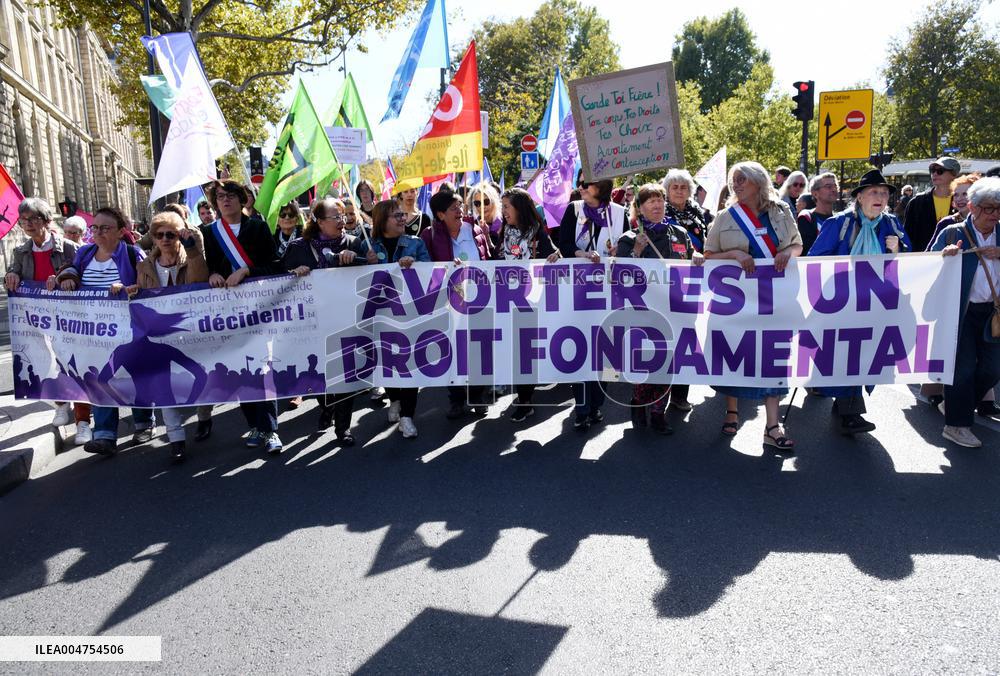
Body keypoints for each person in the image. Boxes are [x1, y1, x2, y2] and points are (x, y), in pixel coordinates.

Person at [704, 161, 803, 451]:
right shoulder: (725, 216)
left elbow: (797, 245)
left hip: (774, 298)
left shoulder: (781, 211)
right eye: (733, 180)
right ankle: (732, 411)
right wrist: (733, 253)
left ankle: (772, 426)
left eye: (742, 180)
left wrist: (786, 252)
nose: (736, 185)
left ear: (758, 182)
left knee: (774, 356)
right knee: (736, 353)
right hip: (736, 301)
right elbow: (708, 254)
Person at [807, 169, 912, 435]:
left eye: (885, 193)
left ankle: (845, 402)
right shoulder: (838, 224)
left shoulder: (892, 225)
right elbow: (815, 260)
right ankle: (850, 412)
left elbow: (913, 261)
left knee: (868, 354)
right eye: (874, 192)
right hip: (843, 303)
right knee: (846, 353)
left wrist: (898, 249)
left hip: (877, 303)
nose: (881, 197)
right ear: (860, 197)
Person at [55, 207, 149, 456]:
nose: (97, 233)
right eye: (95, 228)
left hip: (127, 329)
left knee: (130, 377)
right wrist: (67, 278)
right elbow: (72, 269)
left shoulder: (132, 253)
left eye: (105, 228)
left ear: (120, 232)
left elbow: (148, 284)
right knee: (100, 377)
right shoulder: (85, 253)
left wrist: (129, 287)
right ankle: (105, 435)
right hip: (94, 332)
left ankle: (143, 422)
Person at [200, 180, 284, 454]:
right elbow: (208, 265)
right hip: (227, 312)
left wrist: (246, 270)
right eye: (220, 196)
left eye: (231, 196)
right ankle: (255, 425)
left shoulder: (257, 227)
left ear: (242, 199)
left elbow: (273, 265)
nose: (225, 201)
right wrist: (211, 273)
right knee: (240, 368)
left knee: (262, 367)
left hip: (259, 307)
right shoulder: (209, 232)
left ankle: (271, 429)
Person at [618, 183, 705, 433]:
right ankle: (638, 400)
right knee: (647, 361)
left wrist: (697, 255)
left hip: (674, 309)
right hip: (643, 311)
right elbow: (620, 276)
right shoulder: (629, 237)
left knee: (668, 361)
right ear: (640, 208)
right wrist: (636, 251)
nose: (656, 205)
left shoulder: (678, 233)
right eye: (650, 201)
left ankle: (658, 413)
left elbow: (689, 257)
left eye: (659, 200)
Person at [283, 197, 367, 445]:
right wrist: (294, 274)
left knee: (345, 374)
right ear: (319, 221)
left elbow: (374, 270)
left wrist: (361, 259)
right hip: (312, 324)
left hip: (345, 321)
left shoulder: (354, 243)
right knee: (318, 373)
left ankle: (343, 428)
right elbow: (280, 278)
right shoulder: (298, 247)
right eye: (336, 217)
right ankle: (327, 406)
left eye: (343, 216)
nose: (342, 221)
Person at [5, 198, 88, 438]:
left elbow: (82, 276)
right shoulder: (20, 251)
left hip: (68, 319)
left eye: (33, 218)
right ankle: (61, 404)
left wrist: (62, 277)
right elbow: (14, 272)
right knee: (46, 361)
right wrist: (10, 275)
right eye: (23, 220)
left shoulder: (70, 247)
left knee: (73, 364)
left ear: (47, 221)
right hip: (38, 320)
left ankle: (83, 422)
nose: (28, 224)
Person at [134, 211, 209, 462]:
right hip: (158, 337)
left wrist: (194, 250)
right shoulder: (144, 265)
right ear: (153, 238)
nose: (165, 239)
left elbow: (200, 280)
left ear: (180, 234)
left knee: (203, 377)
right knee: (163, 384)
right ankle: (176, 438)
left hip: (192, 332)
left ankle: (204, 416)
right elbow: (141, 297)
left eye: (171, 234)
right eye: (159, 235)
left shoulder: (192, 258)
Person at [932, 177, 1000, 448]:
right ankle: (956, 425)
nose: (994, 214)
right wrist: (943, 256)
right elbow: (925, 265)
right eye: (988, 208)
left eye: (998, 208)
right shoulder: (952, 232)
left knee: (992, 368)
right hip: (960, 312)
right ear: (972, 207)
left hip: (993, 312)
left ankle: (956, 404)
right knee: (961, 371)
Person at [357, 200, 431, 439]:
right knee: (387, 361)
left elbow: (430, 272)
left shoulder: (415, 243)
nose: (402, 218)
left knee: (409, 364)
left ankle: (407, 417)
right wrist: (362, 263)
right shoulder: (366, 246)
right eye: (395, 215)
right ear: (381, 221)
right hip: (379, 316)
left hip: (409, 315)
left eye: (402, 214)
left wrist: (416, 266)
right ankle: (395, 399)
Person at [557, 178, 626, 430]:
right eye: (580, 183)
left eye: (587, 183)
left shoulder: (618, 213)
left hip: (609, 293)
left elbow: (626, 249)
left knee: (607, 350)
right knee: (581, 347)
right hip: (579, 292)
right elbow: (564, 244)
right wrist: (583, 254)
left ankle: (597, 404)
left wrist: (620, 249)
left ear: (603, 187)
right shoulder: (573, 209)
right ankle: (582, 406)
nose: (582, 187)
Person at [421, 190, 492, 419]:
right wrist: (446, 269)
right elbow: (425, 271)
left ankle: (478, 395)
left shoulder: (476, 229)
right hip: (448, 302)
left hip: (479, 299)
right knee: (452, 350)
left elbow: (488, 260)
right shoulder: (429, 236)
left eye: (461, 206)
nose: (460, 211)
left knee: (478, 348)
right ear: (441, 214)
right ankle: (456, 399)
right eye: (454, 208)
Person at [498, 187, 560, 421]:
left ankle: (525, 401)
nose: (503, 212)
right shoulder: (503, 232)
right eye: (502, 207)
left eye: (507, 207)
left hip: (533, 302)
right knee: (516, 353)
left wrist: (556, 256)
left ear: (520, 209)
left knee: (526, 353)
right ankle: (524, 398)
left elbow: (554, 255)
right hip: (508, 300)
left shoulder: (538, 233)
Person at [904, 156, 960, 252]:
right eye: (932, 170)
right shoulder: (916, 202)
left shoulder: (962, 202)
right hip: (923, 261)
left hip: (955, 261)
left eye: (940, 171)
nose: (934, 174)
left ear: (953, 174)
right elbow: (906, 237)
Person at [925, 173, 981, 250]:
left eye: (965, 194)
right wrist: (945, 252)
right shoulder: (946, 223)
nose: (959, 199)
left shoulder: (990, 221)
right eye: (956, 195)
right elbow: (930, 255)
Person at [661, 169, 709, 252]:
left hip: (700, 261)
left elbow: (705, 236)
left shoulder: (696, 211)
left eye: (683, 187)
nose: (679, 191)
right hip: (673, 260)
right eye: (675, 187)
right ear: (667, 190)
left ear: (689, 190)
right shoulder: (661, 212)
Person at [798, 172, 839, 255]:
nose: (834, 189)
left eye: (835, 186)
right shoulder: (806, 217)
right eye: (828, 187)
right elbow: (807, 251)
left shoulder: (840, 218)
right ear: (815, 193)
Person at [464, 182, 502, 251]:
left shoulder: (504, 225)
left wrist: (487, 238)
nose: (482, 207)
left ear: (494, 201)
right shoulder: (471, 226)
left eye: (486, 202)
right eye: (477, 203)